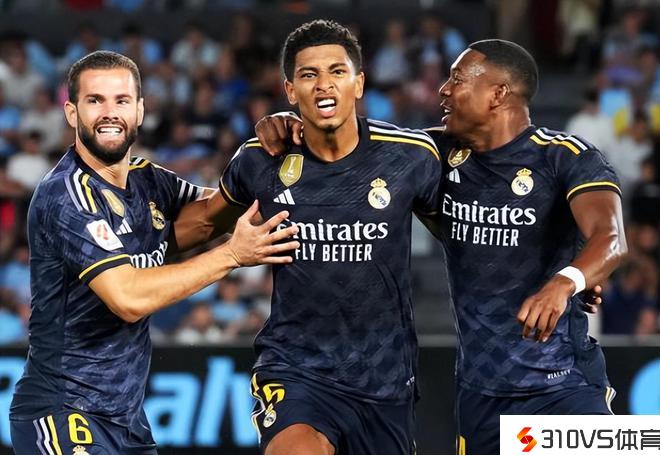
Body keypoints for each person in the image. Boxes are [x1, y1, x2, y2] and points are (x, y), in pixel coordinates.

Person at [256, 39, 627, 455]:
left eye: (457, 79)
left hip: (563, 384)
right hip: (480, 395)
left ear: (498, 93)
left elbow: (611, 238)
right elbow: (351, 142)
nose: (443, 90)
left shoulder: (566, 157)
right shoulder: (434, 155)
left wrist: (567, 281)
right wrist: (289, 121)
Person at [9, 51, 299, 455]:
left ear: (140, 110)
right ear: (72, 113)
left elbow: (213, 213)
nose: (110, 112)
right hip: (63, 412)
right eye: (95, 100)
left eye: (121, 100)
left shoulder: (148, 180)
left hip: (126, 423)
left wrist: (264, 152)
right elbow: (128, 298)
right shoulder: (66, 195)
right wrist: (232, 255)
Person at [220, 20, 443, 455]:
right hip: (296, 368)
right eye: (309, 75)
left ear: (359, 83)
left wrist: (565, 272)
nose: (324, 84)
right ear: (290, 90)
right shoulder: (261, 159)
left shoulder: (411, 156)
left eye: (337, 71)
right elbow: (201, 223)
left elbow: (465, 231)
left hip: (385, 378)